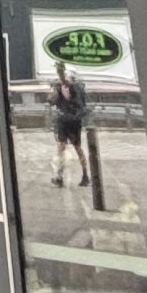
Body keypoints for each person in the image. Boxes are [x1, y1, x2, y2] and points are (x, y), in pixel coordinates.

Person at [46, 60, 90, 196]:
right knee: (68, 147)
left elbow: (64, 83)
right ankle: (66, 176)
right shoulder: (62, 87)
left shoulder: (72, 86)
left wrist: (60, 72)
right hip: (70, 120)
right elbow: (51, 100)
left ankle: (73, 176)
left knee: (67, 148)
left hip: (69, 120)